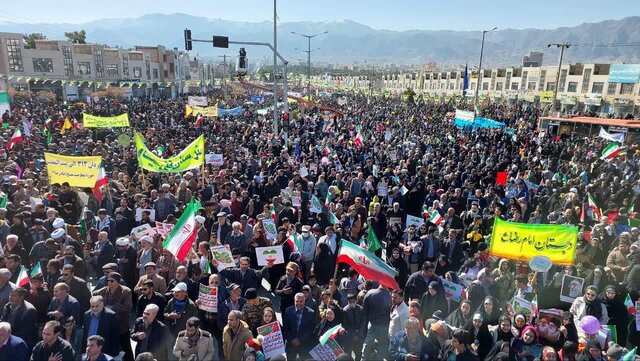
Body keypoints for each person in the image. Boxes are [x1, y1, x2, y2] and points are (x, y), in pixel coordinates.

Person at [361, 283, 391, 361]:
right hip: (384, 325)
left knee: (368, 343)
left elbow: (364, 309)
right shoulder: (389, 296)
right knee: (382, 345)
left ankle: (363, 359)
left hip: (372, 323)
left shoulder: (370, 293)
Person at [282, 293, 316, 360]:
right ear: (294, 301)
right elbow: (285, 328)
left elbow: (311, 329)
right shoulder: (288, 310)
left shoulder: (311, 313)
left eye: (301, 301)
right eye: (297, 301)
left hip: (304, 344)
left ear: (304, 301)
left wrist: (300, 340)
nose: (299, 303)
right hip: (290, 344)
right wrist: (291, 340)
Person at [342, 293, 365, 361]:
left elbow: (363, 323)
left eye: (353, 301)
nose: (352, 303)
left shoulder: (360, 309)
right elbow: (345, 325)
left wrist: (358, 334)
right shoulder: (345, 310)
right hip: (349, 335)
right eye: (350, 302)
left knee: (358, 353)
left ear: (356, 300)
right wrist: (354, 334)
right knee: (348, 353)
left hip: (359, 335)